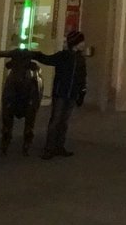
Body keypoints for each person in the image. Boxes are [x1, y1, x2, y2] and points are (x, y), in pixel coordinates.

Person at [33, 30, 87, 159]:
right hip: (61, 93)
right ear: (76, 43)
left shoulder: (80, 59)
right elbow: (48, 59)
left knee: (64, 121)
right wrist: (36, 55)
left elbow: (82, 76)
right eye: (81, 41)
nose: (84, 44)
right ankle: (49, 148)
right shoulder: (64, 56)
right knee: (56, 120)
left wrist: (82, 91)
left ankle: (59, 146)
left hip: (71, 94)